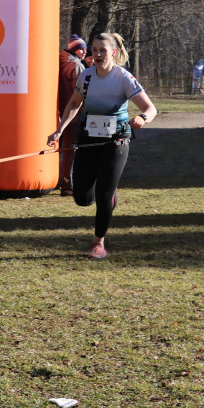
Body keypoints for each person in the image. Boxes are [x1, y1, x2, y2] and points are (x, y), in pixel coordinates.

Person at [47, 32, 157, 259]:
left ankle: (98, 243)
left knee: (104, 194)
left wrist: (142, 119)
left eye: (102, 50)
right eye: (93, 50)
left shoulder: (123, 78)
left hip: (115, 142)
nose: (96, 54)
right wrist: (59, 129)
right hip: (88, 140)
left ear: (113, 53)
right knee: (82, 197)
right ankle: (107, 196)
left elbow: (150, 108)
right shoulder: (85, 77)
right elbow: (74, 104)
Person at [57, 34, 87, 196]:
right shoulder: (76, 66)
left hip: (59, 112)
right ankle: (68, 186)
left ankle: (61, 181)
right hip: (73, 115)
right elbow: (80, 93)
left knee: (64, 149)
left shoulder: (60, 63)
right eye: (81, 48)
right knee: (72, 150)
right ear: (75, 50)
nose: (84, 51)